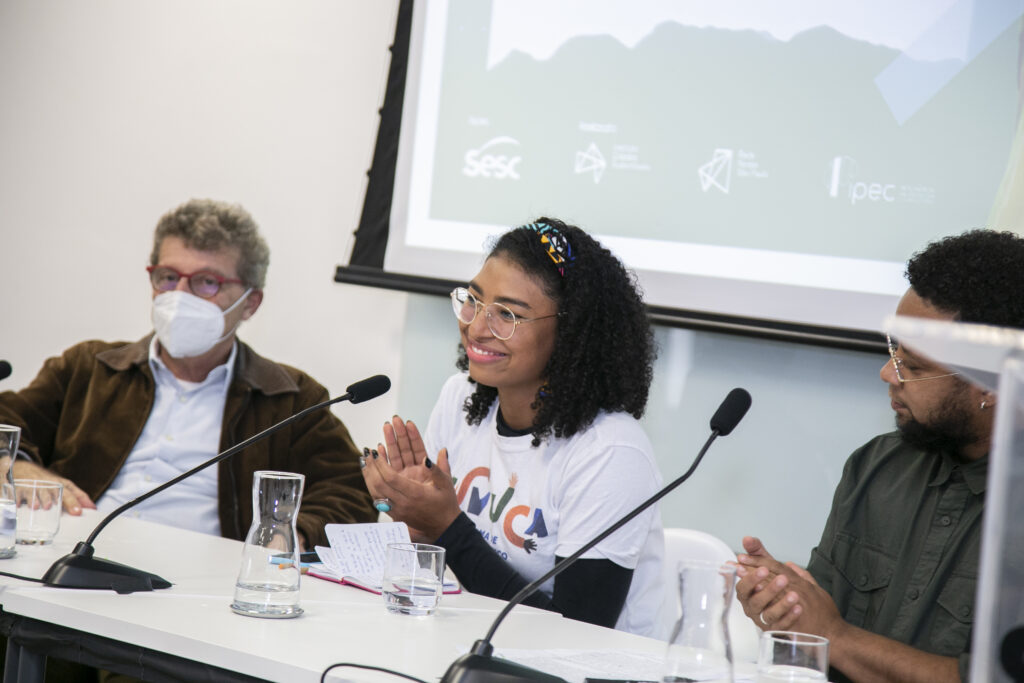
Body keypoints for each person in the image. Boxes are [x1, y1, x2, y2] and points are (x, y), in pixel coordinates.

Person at [734, 229, 1024, 682]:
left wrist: (835, 635)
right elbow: (814, 642)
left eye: (914, 366)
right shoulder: (877, 466)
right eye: (893, 351)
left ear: (991, 385)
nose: (888, 373)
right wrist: (788, 610)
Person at [0, 199, 375, 548]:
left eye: (206, 282)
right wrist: (16, 465)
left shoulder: (290, 398)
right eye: (167, 277)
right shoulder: (89, 367)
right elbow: (8, 420)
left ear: (250, 303)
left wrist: (288, 534)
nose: (178, 295)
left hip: (201, 582)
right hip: (77, 556)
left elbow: (350, 492)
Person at [360, 218, 668, 637]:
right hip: (466, 648)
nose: (475, 327)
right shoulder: (460, 399)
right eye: (473, 300)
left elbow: (576, 634)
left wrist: (447, 528)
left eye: (507, 314)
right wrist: (412, 525)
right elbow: (430, 583)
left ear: (571, 332)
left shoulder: (610, 451)